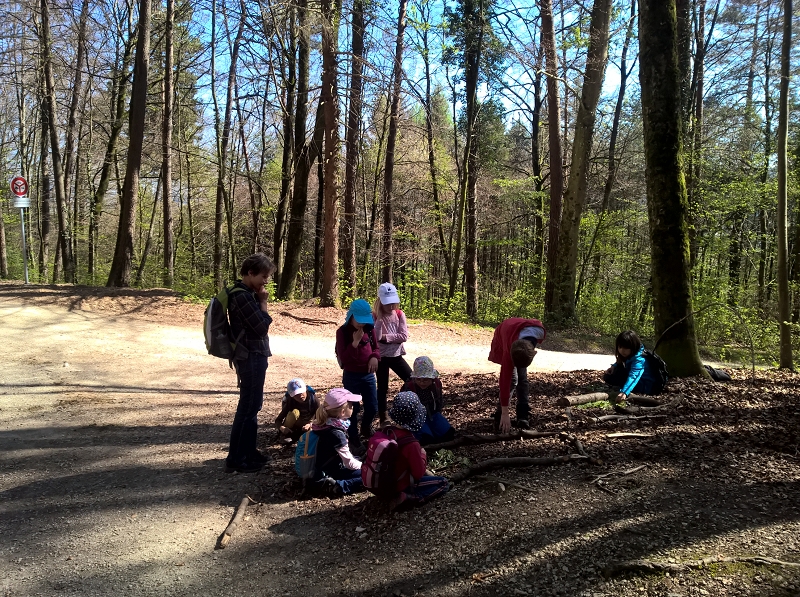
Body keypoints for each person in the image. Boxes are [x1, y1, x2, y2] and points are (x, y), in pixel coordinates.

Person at [225, 253, 276, 473]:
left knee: (253, 406)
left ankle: (248, 452)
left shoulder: (247, 294)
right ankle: (236, 458)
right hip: (251, 356)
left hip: (254, 355)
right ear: (250, 273)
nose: (266, 281)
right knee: (248, 407)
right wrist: (263, 302)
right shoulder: (243, 297)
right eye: (263, 276)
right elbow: (262, 326)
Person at [381, 391, 449, 511]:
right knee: (443, 483)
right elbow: (419, 473)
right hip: (401, 484)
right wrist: (422, 456)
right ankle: (411, 497)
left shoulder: (386, 432)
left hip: (383, 484)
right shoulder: (411, 444)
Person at [335, 299, 381, 451]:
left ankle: (366, 427)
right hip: (351, 375)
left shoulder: (369, 329)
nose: (361, 324)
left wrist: (375, 357)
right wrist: (354, 343)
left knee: (373, 406)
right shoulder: (342, 333)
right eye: (358, 320)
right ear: (351, 316)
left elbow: (376, 348)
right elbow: (344, 358)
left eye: (364, 321)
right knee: (352, 409)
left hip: (368, 375)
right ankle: (353, 437)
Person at [488, 317, 546, 434]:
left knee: (522, 379)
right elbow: (504, 381)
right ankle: (499, 417)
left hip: (519, 337)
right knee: (512, 380)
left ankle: (523, 414)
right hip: (504, 333)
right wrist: (505, 413)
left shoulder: (539, 332)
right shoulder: (508, 351)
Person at [310, 388, 365, 496]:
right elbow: (349, 463)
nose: (352, 407)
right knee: (370, 475)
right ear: (342, 412)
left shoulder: (325, 423)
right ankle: (339, 486)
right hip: (331, 470)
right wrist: (365, 467)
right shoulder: (337, 433)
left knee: (362, 464)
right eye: (350, 405)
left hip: (322, 466)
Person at [373, 283, 412, 426]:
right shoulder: (375, 316)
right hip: (381, 357)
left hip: (396, 356)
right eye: (388, 303)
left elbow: (403, 336)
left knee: (411, 378)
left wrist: (386, 338)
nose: (391, 306)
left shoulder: (400, 314)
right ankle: (383, 416)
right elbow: (376, 337)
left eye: (393, 303)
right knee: (382, 387)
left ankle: (407, 405)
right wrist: (379, 321)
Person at [400, 356, 454, 445]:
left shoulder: (436, 384)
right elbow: (403, 408)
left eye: (425, 379)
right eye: (418, 379)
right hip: (416, 418)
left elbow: (439, 401)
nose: (422, 382)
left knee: (449, 434)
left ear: (432, 378)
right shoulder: (408, 387)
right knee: (426, 439)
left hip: (433, 415)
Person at [603, 330, 658, 401]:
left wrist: (624, 393)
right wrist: (614, 366)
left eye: (626, 348)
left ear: (633, 347)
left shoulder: (640, 359)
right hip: (639, 382)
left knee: (615, 376)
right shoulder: (630, 355)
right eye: (620, 347)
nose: (622, 350)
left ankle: (625, 388)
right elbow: (620, 363)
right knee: (609, 375)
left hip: (646, 386)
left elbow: (634, 376)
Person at [275, 378, 319, 444]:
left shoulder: (313, 399)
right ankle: (286, 435)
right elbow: (278, 420)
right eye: (296, 394)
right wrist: (282, 428)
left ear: (306, 389)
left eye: (301, 392)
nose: (300, 396)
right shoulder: (290, 401)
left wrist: (311, 424)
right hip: (295, 423)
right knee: (294, 412)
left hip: (308, 423)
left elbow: (321, 417)